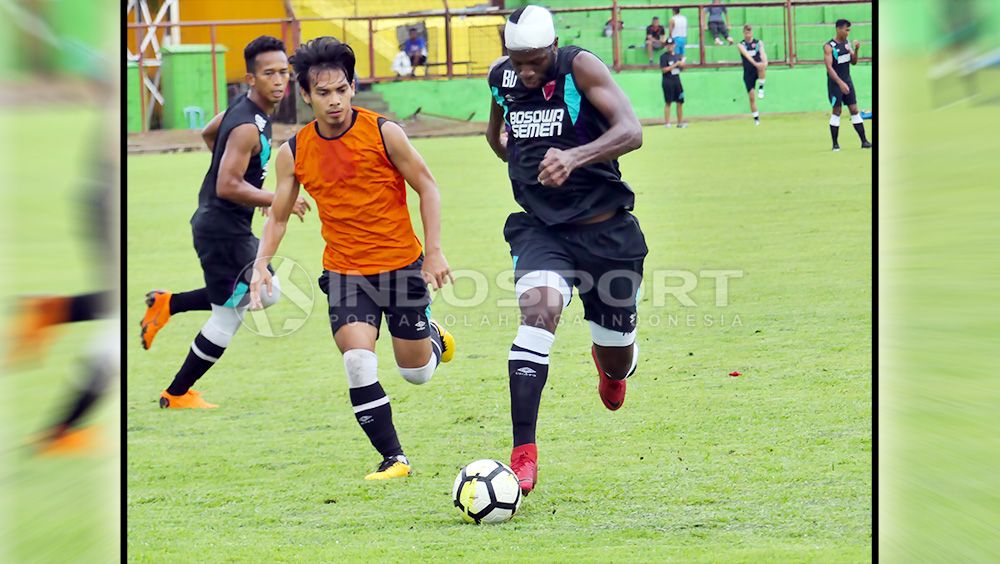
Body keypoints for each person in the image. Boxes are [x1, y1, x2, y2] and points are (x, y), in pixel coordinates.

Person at [248, 37, 457, 481]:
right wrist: (261, 263)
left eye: (342, 90)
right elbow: (280, 217)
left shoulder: (384, 133)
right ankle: (394, 458)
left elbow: (428, 186)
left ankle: (433, 337)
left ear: (353, 87)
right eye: (323, 93)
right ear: (305, 94)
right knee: (358, 360)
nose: (335, 101)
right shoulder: (295, 152)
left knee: (416, 374)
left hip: (402, 266)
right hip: (345, 273)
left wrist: (434, 251)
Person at [486, 5, 646, 495]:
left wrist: (573, 157)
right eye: (517, 61)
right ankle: (523, 454)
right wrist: (516, 151)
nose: (526, 72)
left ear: (553, 48)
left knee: (617, 355)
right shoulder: (501, 77)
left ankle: (613, 366)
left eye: (535, 61)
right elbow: (496, 136)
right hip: (543, 231)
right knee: (538, 314)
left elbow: (632, 131)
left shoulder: (581, 67)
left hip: (606, 234)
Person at [139, 36, 311, 408]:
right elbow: (227, 184)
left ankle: (168, 304)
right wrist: (275, 198)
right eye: (269, 74)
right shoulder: (249, 125)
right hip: (222, 232)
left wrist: (247, 181)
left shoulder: (249, 110)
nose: (279, 80)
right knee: (229, 316)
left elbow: (209, 133)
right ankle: (176, 393)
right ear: (251, 78)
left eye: (284, 72)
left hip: (225, 227)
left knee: (267, 292)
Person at [824, 19, 871, 151]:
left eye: (849, 30)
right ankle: (835, 144)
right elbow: (829, 67)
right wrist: (840, 83)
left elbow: (854, 62)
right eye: (846, 29)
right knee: (837, 111)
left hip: (847, 81)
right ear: (839, 29)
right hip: (835, 84)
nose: (848, 32)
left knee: (854, 110)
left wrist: (856, 50)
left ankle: (864, 141)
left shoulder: (846, 43)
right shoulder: (829, 46)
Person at [737, 24, 767, 125]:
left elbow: (763, 54)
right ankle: (756, 118)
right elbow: (747, 56)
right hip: (748, 72)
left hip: (757, 69)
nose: (748, 34)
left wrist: (764, 63)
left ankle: (761, 87)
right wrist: (755, 64)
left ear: (752, 32)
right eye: (746, 32)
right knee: (752, 97)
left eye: (749, 32)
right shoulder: (741, 45)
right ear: (743, 33)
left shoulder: (758, 43)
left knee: (762, 67)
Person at [659, 38, 686, 128]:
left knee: (680, 102)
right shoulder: (663, 57)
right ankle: (667, 123)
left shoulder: (678, 56)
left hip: (677, 81)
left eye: (671, 45)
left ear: (674, 45)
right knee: (668, 102)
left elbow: (681, 69)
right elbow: (664, 70)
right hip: (668, 81)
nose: (669, 46)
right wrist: (675, 64)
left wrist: (682, 65)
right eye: (668, 45)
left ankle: (680, 122)